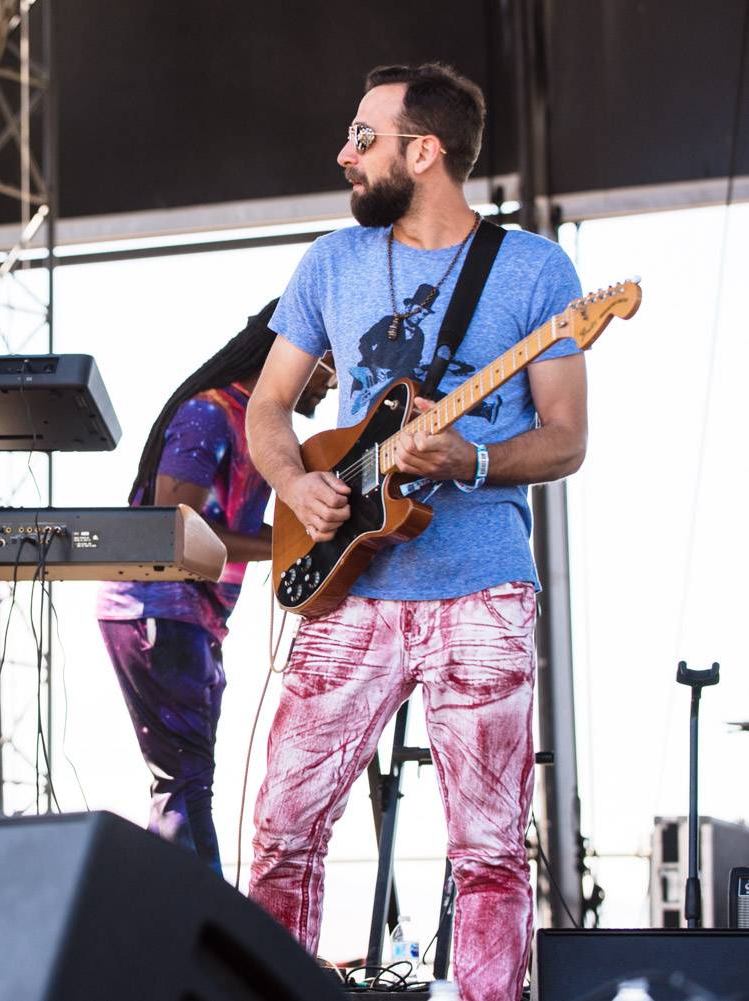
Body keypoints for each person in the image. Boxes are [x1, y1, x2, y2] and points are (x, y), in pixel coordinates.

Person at [243, 63, 588, 1001]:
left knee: (489, 850)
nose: (343, 154)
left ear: (422, 152)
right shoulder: (331, 263)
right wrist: (298, 483)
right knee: (281, 831)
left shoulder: (536, 271)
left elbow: (565, 440)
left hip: (482, 587)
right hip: (350, 581)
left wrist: (468, 461)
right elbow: (269, 407)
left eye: (364, 137)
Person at [95, 303, 334, 873]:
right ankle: (194, 926)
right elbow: (174, 527)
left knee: (187, 777)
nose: (333, 376)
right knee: (183, 776)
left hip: (190, 616)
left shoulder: (255, 423)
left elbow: (242, 531)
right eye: (326, 360)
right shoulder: (211, 412)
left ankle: (184, 921)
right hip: (152, 608)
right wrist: (291, 545)